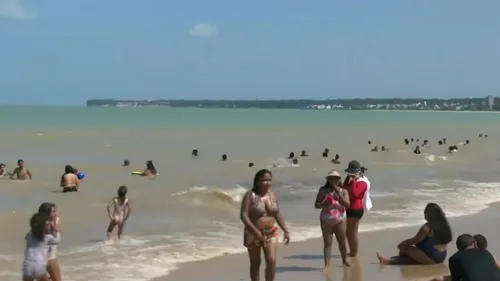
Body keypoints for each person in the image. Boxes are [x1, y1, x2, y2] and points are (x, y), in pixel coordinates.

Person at [240, 169, 290, 281]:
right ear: (257, 181)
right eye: (264, 180)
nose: (268, 183)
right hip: (253, 233)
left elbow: (277, 213)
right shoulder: (250, 195)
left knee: (271, 260)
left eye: (269, 180)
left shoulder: (272, 195)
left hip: (270, 232)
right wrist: (256, 233)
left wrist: (286, 230)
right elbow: (243, 215)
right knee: (255, 264)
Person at [377, 203, 452, 265]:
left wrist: (402, 244)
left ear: (430, 214)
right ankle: (393, 260)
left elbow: (414, 240)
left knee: (403, 248)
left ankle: (388, 262)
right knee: (409, 254)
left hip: (432, 257)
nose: (424, 215)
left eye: (425, 213)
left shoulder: (426, 228)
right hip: (441, 256)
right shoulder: (444, 225)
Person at [315, 170, 350, 268]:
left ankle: (344, 260)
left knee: (342, 241)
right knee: (327, 243)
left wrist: (338, 193)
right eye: (331, 178)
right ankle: (327, 264)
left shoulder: (344, 191)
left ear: (339, 180)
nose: (333, 180)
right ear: (328, 180)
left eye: (336, 178)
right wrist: (322, 204)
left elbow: (347, 204)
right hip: (326, 219)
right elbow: (316, 204)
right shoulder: (323, 190)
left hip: (340, 219)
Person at [22, 213, 61, 281]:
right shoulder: (47, 237)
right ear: (44, 227)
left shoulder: (29, 235)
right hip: (39, 266)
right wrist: (57, 231)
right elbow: (57, 241)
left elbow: (26, 238)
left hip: (28, 266)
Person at [344, 160, 369, 257]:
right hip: (348, 208)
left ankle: (354, 252)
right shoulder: (349, 181)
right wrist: (347, 179)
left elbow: (355, 194)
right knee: (347, 231)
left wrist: (354, 180)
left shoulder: (362, 182)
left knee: (353, 231)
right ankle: (352, 250)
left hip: (356, 209)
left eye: (353, 172)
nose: (351, 174)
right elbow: (344, 189)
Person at [38, 203, 61, 281]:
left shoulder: (55, 220)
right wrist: (57, 230)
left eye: (55, 211)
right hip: (48, 258)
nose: (55, 214)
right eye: (53, 212)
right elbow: (57, 241)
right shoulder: (43, 225)